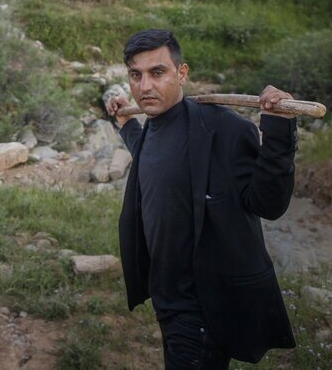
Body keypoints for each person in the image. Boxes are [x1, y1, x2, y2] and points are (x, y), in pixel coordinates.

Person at [105, 29, 298, 368]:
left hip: (202, 309)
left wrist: (279, 130)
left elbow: (267, 204)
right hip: (166, 298)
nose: (145, 86)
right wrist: (125, 123)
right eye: (136, 75)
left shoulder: (223, 130)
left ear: (181, 73)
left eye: (157, 72)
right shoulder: (153, 126)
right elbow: (152, 158)